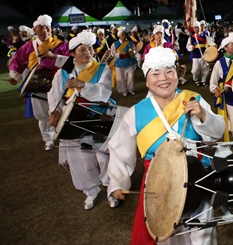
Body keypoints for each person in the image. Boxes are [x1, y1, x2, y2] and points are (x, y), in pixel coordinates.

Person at [107, 47, 225, 244]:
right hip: (159, 182)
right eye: (156, 73)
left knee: (203, 235)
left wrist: (204, 116)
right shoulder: (136, 113)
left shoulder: (192, 98)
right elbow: (119, 150)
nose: (164, 78)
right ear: (146, 79)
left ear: (177, 74)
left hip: (197, 176)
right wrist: (118, 182)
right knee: (168, 235)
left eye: (169, 71)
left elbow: (217, 132)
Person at [47, 31, 119, 210]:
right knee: (81, 158)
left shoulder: (102, 69)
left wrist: (83, 85)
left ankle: (111, 187)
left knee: (105, 155)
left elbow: (103, 92)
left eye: (89, 49)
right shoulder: (62, 73)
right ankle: (91, 190)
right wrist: (54, 112)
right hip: (73, 117)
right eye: (82, 50)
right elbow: (54, 96)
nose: (87, 52)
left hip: (100, 113)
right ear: (72, 54)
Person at [8, 14, 70, 150]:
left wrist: (54, 56)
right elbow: (17, 60)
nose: (45, 31)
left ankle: (61, 134)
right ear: (35, 30)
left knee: (59, 108)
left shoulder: (61, 45)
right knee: (42, 113)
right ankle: (48, 139)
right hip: (36, 84)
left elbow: (70, 62)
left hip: (57, 81)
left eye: (47, 27)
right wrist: (14, 76)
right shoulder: (29, 47)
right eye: (41, 28)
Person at [187, 20, 214, 87]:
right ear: (193, 29)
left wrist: (214, 45)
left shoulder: (204, 36)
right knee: (195, 70)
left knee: (205, 68)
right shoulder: (191, 37)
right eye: (195, 27)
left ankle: (203, 81)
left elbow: (210, 42)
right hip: (195, 55)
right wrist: (191, 47)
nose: (197, 29)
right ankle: (196, 80)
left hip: (204, 54)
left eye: (198, 27)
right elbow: (188, 45)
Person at [111, 28, 137, 97]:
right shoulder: (115, 44)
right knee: (120, 78)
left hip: (129, 61)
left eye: (124, 34)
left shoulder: (130, 43)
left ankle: (130, 89)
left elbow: (134, 51)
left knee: (130, 77)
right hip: (119, 62)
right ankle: (123, 90)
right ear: (119, 36)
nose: (123, 36)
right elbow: (112, 53)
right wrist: (120, 54)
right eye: (122, 34)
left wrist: (131, 53)